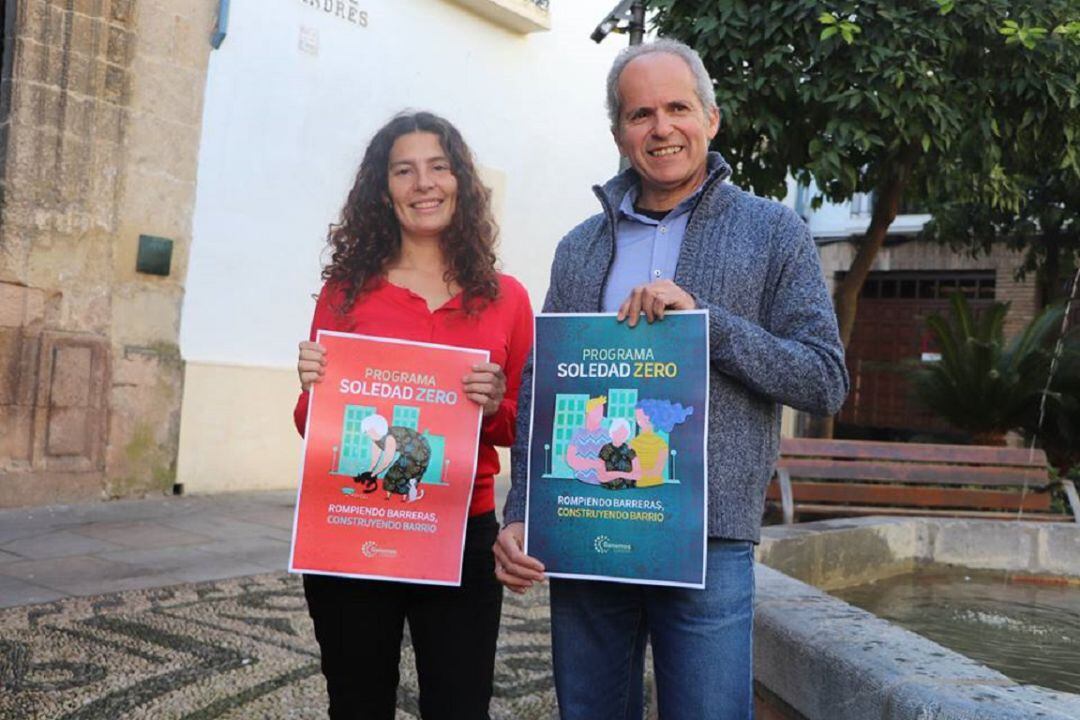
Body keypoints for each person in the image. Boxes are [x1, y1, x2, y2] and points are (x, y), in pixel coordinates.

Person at [492, 40, 848, 720]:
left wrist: (709, 327)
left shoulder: (774, 233)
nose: (661, 129)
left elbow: (824, 379)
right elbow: (545, 388)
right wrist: (521, 513)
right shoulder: (581, 246)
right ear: (620, 133)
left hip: (708, 543)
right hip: (589, 531)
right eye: (640, 114)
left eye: (678, 108)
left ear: (711, 119)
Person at [294, 111, 533, 720]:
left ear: (462, 183)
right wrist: (315, 388)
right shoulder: (346, 292)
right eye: (404, 170)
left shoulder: (508, 298)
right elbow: (310, 424)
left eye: (438, 167)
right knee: (357, 704)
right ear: (384, 189)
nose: (423, 183)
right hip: (354, 529)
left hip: (461, 533)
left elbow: (517, 426)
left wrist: (497, 398)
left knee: (459, 707)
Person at [630, 399, 693, 487]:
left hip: (653, 485)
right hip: (637, 485)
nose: (636, 420)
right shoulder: (634, 443)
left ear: (649, 417)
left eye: (638, 417)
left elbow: (656, 472)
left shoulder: (660, 444)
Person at [565, 395, 610, 483]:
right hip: (580, 481)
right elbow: (570, 459)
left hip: (602, 483)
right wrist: (593, 464)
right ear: (588, 413)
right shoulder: (578, 433)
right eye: (597, 412)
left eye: (601, 412)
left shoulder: (607, 434)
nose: (600, 416)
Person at [596, 418, 640, 490]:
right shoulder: (606, 449)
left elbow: (638, 475)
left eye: (624, 432)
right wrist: (625, 475)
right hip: (607, 490)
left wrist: (611, 474)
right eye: (618, 431)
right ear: (612, 432)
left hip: (628, 491)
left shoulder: (629, 450)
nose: (621, 435)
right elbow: (601, 476)